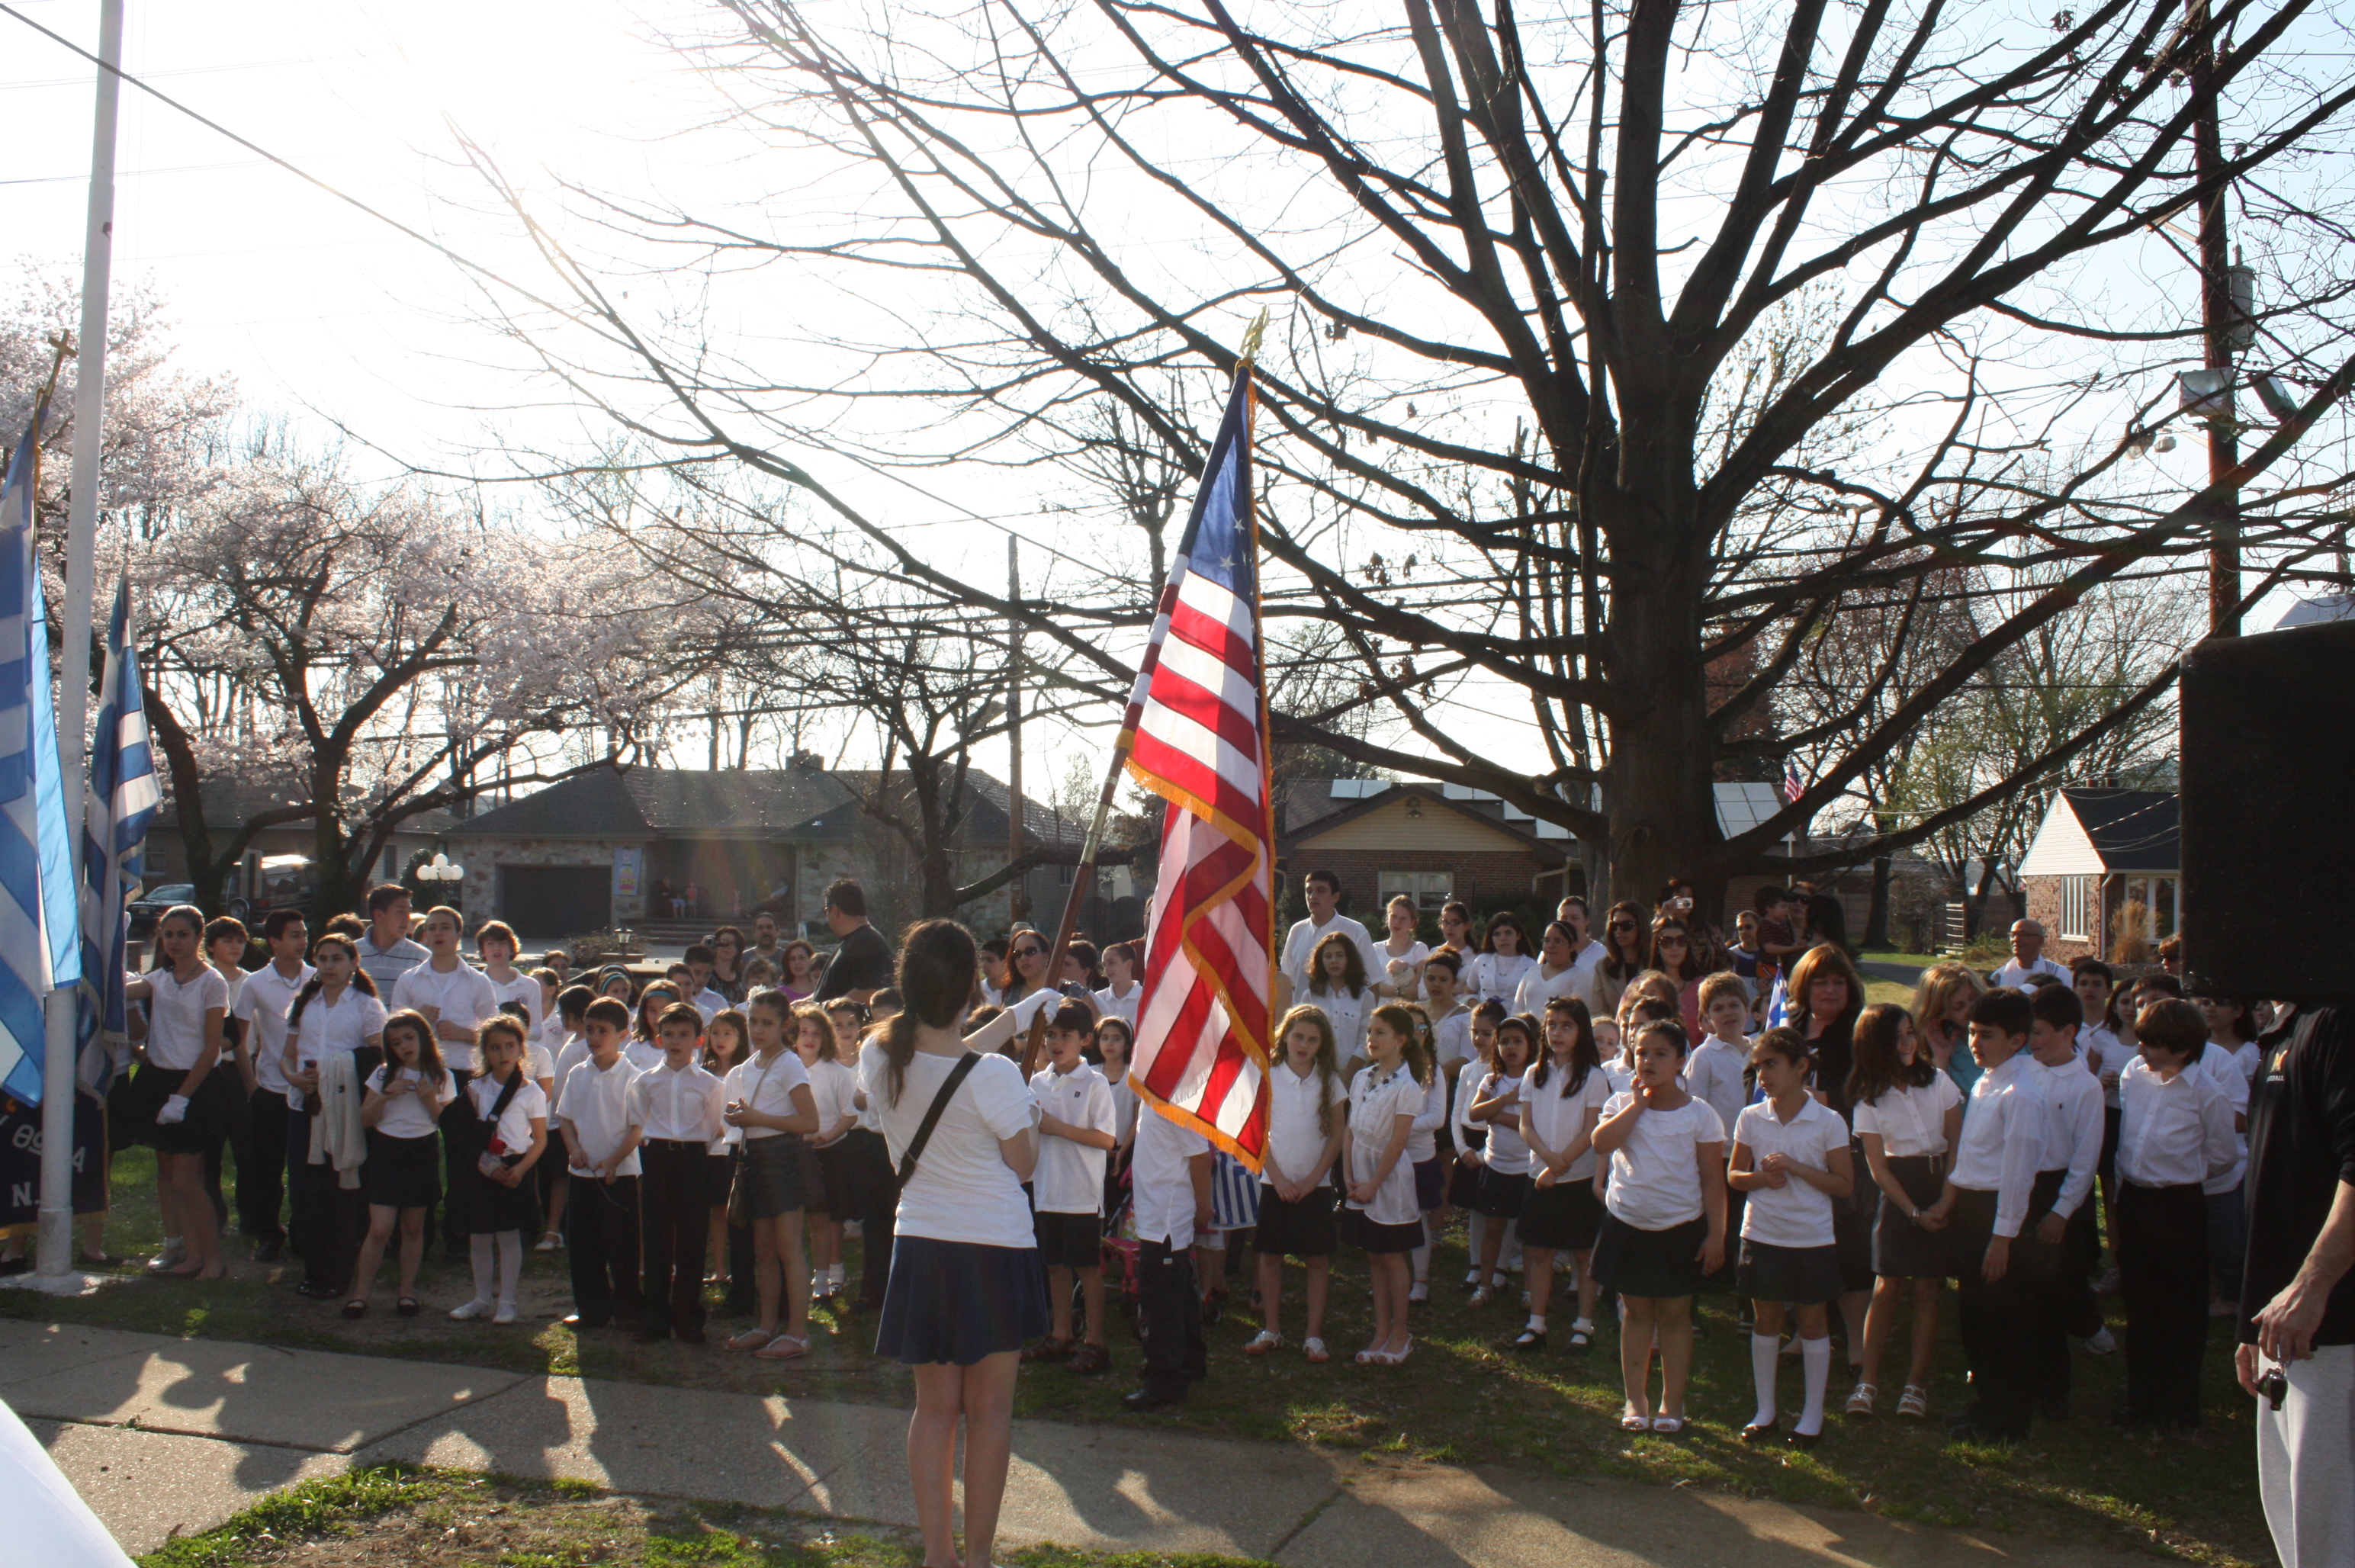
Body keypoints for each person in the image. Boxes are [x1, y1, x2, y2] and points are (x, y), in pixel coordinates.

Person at [859, 922, 1053, 1568]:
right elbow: (1022, 1164)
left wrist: (1018, 1014)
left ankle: (937, 1556)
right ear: (972, 984)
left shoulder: (878, 1056)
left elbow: (946, 1053)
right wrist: (1023, 1106)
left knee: (934, 1409)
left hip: (922, 1241)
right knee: (990, 1411)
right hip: (995, 1246)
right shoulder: (996, 1077)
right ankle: (978, 1560)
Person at [2235, 1000, 2355, 1568]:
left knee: (2334, 1537)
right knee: (2299, 1536)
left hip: (2336, 1336)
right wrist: (2247, 1325)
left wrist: (2312, 1287)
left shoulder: (2340, 1020)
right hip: (2284, 1333)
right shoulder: (2287, 1027)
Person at [1590, 1019, 1729, 1435]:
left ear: (1681, 1060)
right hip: (1629, 1222)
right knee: (1635, 1312)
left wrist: (1717, 1234)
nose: (1648, 1060)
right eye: (1641, 1052)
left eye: (1660, 1053)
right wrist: (1638, 1105)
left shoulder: (1701, 1115)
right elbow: (1600, 1143)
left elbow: (1711, 1179)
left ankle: (1672, 1402)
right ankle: (1636, 1399)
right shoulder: (1620, 1103)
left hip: (1680, 1227)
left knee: (1673, 1315)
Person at [2112, 997, 2237, 1429]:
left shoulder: (2206, 1093)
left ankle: (2181, 1403)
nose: (2141, 1051)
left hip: (2177, 1206)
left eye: (2151, 1045)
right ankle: (2141, 1399)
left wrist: (2180, 1172)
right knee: (2140, 1303)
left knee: (2181, 1306)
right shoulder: (2134, 1076)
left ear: (2182, 1050)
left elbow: (2222, 1154)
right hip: (2136, 1201)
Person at [1730, 1026, 1855, 1448]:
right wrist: (1761, 1179)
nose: (1763, 1074)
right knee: (1766, 1319)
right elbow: (1734, 1175)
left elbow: (1844, 1185)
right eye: (1758, 1066)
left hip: (1811, 1238)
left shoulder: (1828, 1121)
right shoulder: (1750, 1116)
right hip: (1762, 1234)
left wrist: (1797, 1168)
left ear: (1801, 1067)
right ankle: (1765, 1411)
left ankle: (1812, 1415)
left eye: (1772, 1064)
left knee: (1812, 1321)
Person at [1938, 988, 2048, 1441]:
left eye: (1986, 1035)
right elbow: (1972, 1155)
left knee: (2003, 1322)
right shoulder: (1987, 1081)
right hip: (1973, 1208)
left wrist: (2002, 1239)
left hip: (2002, 1214)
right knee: (1976, 1315)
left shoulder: (2021, 1093)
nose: (1975, 1044)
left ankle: (2008, 1418)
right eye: (1971, 1033)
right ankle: (1985, 1405)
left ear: (2017, 1040)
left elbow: (2019, 1172)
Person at [1848, 1001, 1961, 1420]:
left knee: (1929, 1288)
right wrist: (1914, 1213)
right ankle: (1868, 1381)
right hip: (1900, 1194)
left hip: (1941, 1184)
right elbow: (1879, 1169)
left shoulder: (1940, 1083)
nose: (1907, 1043)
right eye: (1896, 1037)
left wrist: (1946, 1201)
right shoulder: (1869, 1102)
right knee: (1887, 1285)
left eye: (1910, 1034)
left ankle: (1916, 1385)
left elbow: (1957, 1145)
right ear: (1875, 1045)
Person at [124, 907, 232, 1280]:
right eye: (167, 935)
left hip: (196, 1086)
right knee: (170, 1176)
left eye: (181, 934)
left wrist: (183, 1097)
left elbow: (211, 1047)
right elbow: (125, 989)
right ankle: (190, 1253)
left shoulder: (213, 982)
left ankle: (213, 1259)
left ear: (199, 937)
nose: (173, 941)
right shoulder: (160, 978)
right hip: (159, 1081)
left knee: (188, 1178)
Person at [280, 935, 387, 1301]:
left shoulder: (366, 1006)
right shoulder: (303, 1003)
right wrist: (295, 1078)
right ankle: (314, 1269)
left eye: (337, 959)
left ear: (354, 962)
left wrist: (333, 1071)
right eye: (322, 959)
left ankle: (340, 1272)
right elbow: (286, 1054)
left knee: (340, 1192)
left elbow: (378, 1058)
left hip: (343, 1110)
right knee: (306, 1193)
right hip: (304, 1107)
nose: (328, 966)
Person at [1784, 943, 1874, 1362]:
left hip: (1848, 1153)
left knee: (1850, 1250)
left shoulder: (1861, 1031)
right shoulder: (1791, 1026)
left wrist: (1822, 1098)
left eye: (1839, 982)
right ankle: (1808, 1333)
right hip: (1795, 1151)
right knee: (1806, 1248)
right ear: (1804, 986)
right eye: (1821, 982)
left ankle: (1857, 1343)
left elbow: (1872, 1090)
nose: (1831, 991)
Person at [722, 992, 823, 1356]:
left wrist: (756, 1118)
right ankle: (766, 1326)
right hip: (756, 1158)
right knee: (762, 1249)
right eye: (753, 1022)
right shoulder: (749, 1066)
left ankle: (797, 1333)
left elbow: (809, 1122)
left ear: (785, 1026)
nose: (758, 1029)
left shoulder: (789, 1063)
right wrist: (741, 1115)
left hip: (785, 1159)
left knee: (788, 1247)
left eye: (767, 1023)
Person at [2027, 982, 2111, 1412]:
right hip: (2021, 1187)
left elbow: (2084, 1160)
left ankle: (2054, 1387)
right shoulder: (2025, 1072)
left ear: (2068, 1032)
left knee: (2055, 1289)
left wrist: (2062, 1211)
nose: (2032, 1040)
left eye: (2039, 1031)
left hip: (2057, 1191)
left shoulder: (2085, 1088)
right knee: (2025, 1289)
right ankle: (2025, 1374)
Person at [1511, 995, 1611, 1353]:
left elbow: (1591, 1130)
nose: (1557, 1032)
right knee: (1540, 1252)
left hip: (1577, 1178)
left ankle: (1584, 1323)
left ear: (1581, 1031)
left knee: (1582, 1253)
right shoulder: (1534, 1073)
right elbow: (1526, 1125)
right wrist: (1548, 1161)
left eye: (1567, 1026)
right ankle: (1536, 1323)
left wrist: (1561, 1164)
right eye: (1551, 1025)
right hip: (1541, 1174)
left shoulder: (1594, 1077)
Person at [1249, 1005, 1347, 1364]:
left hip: (1314, 1187)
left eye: (1312, 1039)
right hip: (1275, 1182)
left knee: (1317, 1260)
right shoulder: (1267, 1075)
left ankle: (1313, 1335)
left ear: (1322, 1044)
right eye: (1298, 1036)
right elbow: (1255, 1132)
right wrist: (1277, 1176)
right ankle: (1272, 1329)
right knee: (1271, 1257)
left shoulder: (1330, 1082)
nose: (1303, 1045)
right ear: (1285, 1036)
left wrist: (1312, 1179)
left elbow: (1338, 1135)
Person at [1025, 1000, 1118, 1376]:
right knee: (1055, 1266)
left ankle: (1095, 1341)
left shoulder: (1095, 1083)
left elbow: (1107, 1139)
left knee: (1086, 1267)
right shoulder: (1037, 1082)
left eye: (1065, 1036)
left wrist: (1059, 1128)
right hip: (1048, 1188)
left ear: (1085, 1040)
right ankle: (1061, 1333)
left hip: (1081, 1193)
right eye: (1050, 1035)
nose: (1056, 1043)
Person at [628, 1002, 728, 1345]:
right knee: (657, 1236)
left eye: (684, 1035)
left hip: (693, 1159)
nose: (675, 1041)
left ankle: (687, 1316)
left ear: (699, 1041)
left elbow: (714, 1126)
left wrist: (696, 1149)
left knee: (691, 1237)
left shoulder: (710, 1085)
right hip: (657, 1157)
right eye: (668, 1034)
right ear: (658, 1039)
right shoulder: (646, 1082)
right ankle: (654, 1317)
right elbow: (640, 1121)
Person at [346, 1011, 455, 1318]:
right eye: (396, 1042)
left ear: (423, 1038)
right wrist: (385, 1096)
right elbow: (365, 1119)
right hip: (387, 1150)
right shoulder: (382, 1074)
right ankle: (361, 1294)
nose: (404, 1046)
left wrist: (429, 1099)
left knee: (413, 1226)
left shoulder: (440, 1076)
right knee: (380, 1228)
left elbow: (448, 1124)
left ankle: (406, 1291)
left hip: (422, 1150)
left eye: (409, 1038)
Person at [446, 1016, 549, 1325]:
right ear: (484, 1052)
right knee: (479, 1236)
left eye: (510, 1046)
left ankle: (507, 1301)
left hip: (516, 1166)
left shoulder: (531, 1093)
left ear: (521, 1049)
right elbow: (465, 1134)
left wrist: (520, 1171)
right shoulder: (476, 1089)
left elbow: (540, 1140)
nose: (503, 1054)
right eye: (495, 1047)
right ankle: (481, 1297)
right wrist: (483, 1164)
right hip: (482, 1168)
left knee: (508, 1235)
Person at [1126, 1050, 1215, 1412]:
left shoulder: (1178, 1104)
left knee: (1161, 1298)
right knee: (1178, 1292)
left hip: (1166, 1218)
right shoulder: (1151, 1098)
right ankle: (1190, 1360)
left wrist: (1204, 1205)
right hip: (1154, 1215)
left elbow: (1199, 1159)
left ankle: (1165, 1378)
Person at [1343, 1004, 1431, 1366]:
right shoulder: (1362, 1077)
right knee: (1374, 1256)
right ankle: (1381, 1330)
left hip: (1388, 1179)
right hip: (1359, 1175)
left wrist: (1374, 1184)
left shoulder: (1409, 1087)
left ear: (1401, 1040)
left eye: (1380, 1032)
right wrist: (1349, 1178)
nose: (1372, 1039)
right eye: (1370, 1032)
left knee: (1393, 1257)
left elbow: (1397, 1142)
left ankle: (1400, 1333)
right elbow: (1350, 1129)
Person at [554, 996, 646, 1332]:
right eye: (589, 1029)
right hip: (582, 1173)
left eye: (602, 1031)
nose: (594, 1037)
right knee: (582, 1244)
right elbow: (565, 1119)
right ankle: (591, 1307)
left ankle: (627, 1308)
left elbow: (637, 1129)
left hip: (618, 1175)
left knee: (622, 1244)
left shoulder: (633, 1077)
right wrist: (573, 1149)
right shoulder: (579, 1073)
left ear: (623, 1034)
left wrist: (613, 1160)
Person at [231, 909, 312, 1264]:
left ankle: (304, 1231)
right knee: (267, 1168)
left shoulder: (318, 978)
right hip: (271, 1089)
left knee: (306, 1169)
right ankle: (268, 1232)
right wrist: (251, 1081)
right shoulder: (256, 983)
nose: (302, 941)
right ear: (275, 942)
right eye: (294, 935)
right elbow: (238, 1034)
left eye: (304, 934)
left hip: (308, 1091)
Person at [1466, 1016, 1537, 1306]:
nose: (1511, 1047)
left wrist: (1497, 1116)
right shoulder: (1492, 1080)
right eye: (1505, 1041)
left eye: (1518, 1041)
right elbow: (1474, 1113)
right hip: (1496, 1167)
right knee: (1493, 1229)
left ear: (1530, 1045)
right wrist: (1506, 1098)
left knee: (1530, 1236)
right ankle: (1485, 1285)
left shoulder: (1538, 1079)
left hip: (1528, 1169)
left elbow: (1536, 1123)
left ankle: (1530, 1291)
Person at [797, 1004, 859, 1303]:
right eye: (803, 1032)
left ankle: (831, 1274)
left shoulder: (836, 1072)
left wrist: (827, 1136)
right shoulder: (788, 1068)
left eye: (817, 1033)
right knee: (799, 1217)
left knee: (829, 1216)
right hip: (796, 1151)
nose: (809, 1039)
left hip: (830, 1150)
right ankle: (800, 1276)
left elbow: (849, 1116)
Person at [1278, 869, 1382, 1008]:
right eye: (1309, 891)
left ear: (1335, 897)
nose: (1313, 896)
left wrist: (1365, 1024)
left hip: (1345, 1023)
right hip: (1304, 1021)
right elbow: (1288, 983)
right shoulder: (1297, 931)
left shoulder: (1356, 932)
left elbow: (1372, 983)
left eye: (1321, 891)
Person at [1913, 962, 1987, 1102]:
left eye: (1974, 998)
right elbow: (1943, 1108)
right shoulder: (1948, 1050)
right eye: (1959, 1007)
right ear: (1941, 1014)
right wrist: (1941, 1061)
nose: (1971, 1009)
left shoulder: (2014, 1031)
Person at [815, 879, 895, 1003]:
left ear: (835, 910)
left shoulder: (868, 943)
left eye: (826, 911)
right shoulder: (855, 941)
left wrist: (823, 1008)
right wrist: (806, 1004)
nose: (827, 918)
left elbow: (870, 992)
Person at [1305, 930, 1374, 1070]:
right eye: (1328, 956)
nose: (1334, 961)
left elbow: (1365, 1042)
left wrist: (1348, 1076)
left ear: (1350, 959)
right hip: (1317, 1073)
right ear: (1321, 961)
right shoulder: (1310, 997)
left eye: (1340, 955)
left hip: (1355, 1075)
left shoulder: (1366, 997)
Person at [1513, 920, 1592, 1019]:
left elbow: (1581, 1017)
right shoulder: (1531, 973)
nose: (1550, 946)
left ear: (1572, 946)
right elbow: (1516, 1011)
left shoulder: (1581, 977)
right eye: (1547, 941)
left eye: (1558, 941)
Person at [1646, 916, 1707, 1038]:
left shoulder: (1702, 987)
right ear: (1657, 948)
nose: (1675, 947)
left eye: (1681, 941)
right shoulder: (1642, 985)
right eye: (1666, 942)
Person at [1591, 901, 1649, 1020]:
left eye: (1627, 925)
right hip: (1615, 1034)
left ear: (1641, 927)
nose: (1618, 931)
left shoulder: (1655, 964)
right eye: (1614, 926)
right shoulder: (1603, 968)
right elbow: (1597, 1014)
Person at [1470, 911, 1537, 1010]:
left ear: (1518, 936)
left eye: (1508, 933)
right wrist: (1478, 1009)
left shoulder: (1531, 965)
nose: (1503, 938)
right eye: (1497, 934)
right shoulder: (1481, 961)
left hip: (1516, 1022)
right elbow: (1469, 992)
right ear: (1491, 938)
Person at [1374, 894, 1431, 999]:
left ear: (1412, 923)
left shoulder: (1419, 949)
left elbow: (1416, 988)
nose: (1397, 922)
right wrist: (1401, 991)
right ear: (1387, 917)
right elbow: (1372, 986)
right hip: (1380, 1011)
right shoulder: (1376, 949)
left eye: (1403, 919)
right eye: (1394, 916)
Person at [1991, 919, 2068, 991]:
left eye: (2023, 935)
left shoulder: (2057, 973)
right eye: (2013, 935)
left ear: (2040, 940)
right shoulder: (1999, 977)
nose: (2016, 939)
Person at [1092, 941, 1141, 1027]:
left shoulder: (1144, 997)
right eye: (1104, 965)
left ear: (1128, 965)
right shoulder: (1099, 997)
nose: (1106, 970)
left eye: (1111, 963)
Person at [709, 926, 749, 1004]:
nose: (727, 947)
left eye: (732, 944)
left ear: (738, 949)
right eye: (723, 942)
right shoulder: (706, 975)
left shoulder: (743, 979)